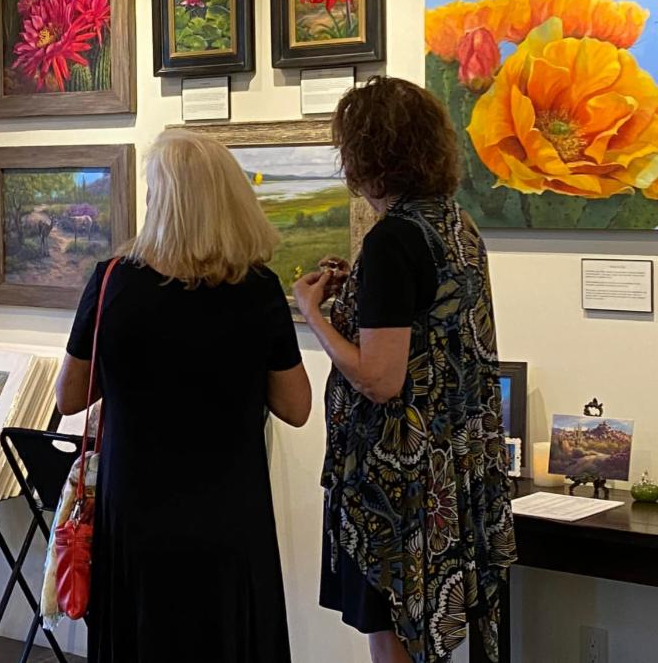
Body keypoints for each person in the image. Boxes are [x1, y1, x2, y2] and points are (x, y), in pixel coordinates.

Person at [55, 129, 311, 663]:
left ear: (161, 203)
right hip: (230, 514)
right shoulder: (258, 289)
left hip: (136, 513)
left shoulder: (111, 281)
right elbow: (296, 407)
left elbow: (70, 397)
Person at [292, 77, 516, 663]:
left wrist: (313, 314)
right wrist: (359, 293)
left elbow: (379, 378)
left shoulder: (393, 239)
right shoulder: (456, 224)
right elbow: (431, 333)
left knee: (393, 629)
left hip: (398, 483)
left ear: (365, 155)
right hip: (451, 466)